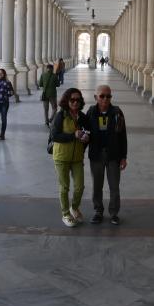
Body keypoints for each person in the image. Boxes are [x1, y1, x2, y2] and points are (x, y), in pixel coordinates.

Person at [86, 85, 127, 225]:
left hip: (113, 156)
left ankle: (114, 213)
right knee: (97, 185)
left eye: (108, 96)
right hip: (96, 155)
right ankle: (98, 211)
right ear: (95, 97)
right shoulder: (91, 112)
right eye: (102, 96)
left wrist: (123, 157)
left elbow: (123, 136)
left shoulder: (116, 112)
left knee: (114, 186)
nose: (105, 99)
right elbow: (85, 133)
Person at [50, 87, 91, 227]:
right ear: (67, 101)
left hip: (77, 157)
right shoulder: (60, 116)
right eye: (72, 100)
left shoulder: (83, 117)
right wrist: (72, 136)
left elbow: (88, 133)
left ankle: (74, 208)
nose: (75, 102)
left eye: (78, 100)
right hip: (61, 156)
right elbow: (54, 136)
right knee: (64, 187)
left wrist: (86, 138)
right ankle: (66, 214)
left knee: (80, 186)